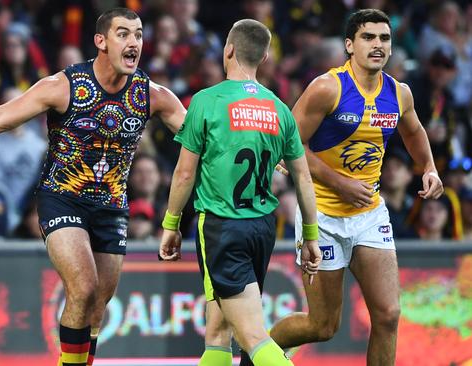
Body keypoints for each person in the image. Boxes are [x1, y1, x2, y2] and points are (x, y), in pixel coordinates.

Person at [0, 8, 186, 366]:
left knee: (98, 304)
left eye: (138, 35)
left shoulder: (153, 95)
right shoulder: (63, 86)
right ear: (101, 42)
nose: (134, 42)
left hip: (112, 205)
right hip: (62, 199)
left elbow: (201, 141)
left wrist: (267, 151)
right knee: (84, 287)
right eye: (123, 34)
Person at [269, 9, 444, 365]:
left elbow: (413, 131)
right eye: (368, 37)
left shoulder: (399, 93)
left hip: (368, 215)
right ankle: (260, 349)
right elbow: (286, 148)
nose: (377, 45)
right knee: (323, 326)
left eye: (384, 38)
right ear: (349, 45)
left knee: (389, 315)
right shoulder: (327, 88)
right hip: (321, 216)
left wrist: (428, 166)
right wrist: (340, 183)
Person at [158, 19, 321, 366]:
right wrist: (310, 235)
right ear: (264, 57)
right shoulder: (279, 109)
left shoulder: (206, 101)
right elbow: (303, 179)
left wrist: (171, 223)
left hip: (222, 227)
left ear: (228, 50)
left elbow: (185, 172)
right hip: (262, 228)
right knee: (217, 332)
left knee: (252, 336)